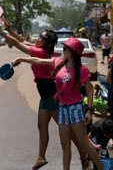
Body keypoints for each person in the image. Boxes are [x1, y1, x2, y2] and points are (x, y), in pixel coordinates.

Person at [0, 19, 88, 170]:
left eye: (40, 38)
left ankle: (84, 152)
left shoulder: (39, 52)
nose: (37, 39)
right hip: (44, 95)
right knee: (42, 126)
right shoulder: (40, 49)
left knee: (67, 130)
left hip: (51, 94)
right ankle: (41, 157)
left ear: (45, 42)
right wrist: (8, 29)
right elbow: (21, 40)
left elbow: (17, 44)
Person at [11, 37, 104, 170]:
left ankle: (100, 168)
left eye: (66, 48)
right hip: (63, 108)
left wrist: (89, 110)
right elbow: (38, 60)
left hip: (76, 107)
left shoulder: (81, 69)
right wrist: (21, 59)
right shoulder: (58, 62)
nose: (63, 50)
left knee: (84, 143)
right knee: (65, 145)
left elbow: (89, 90)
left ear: (72, 52)